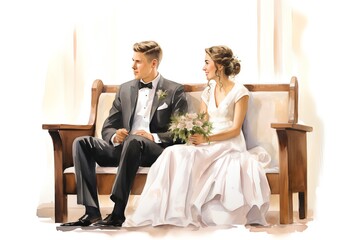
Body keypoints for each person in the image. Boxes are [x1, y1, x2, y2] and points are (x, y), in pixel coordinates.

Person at [123, 45, 271, 227]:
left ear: (219, 66)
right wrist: (192, 130)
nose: (203, 67)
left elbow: (234, 129)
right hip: (208, 140)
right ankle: (169, 210)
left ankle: (187, 210)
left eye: (207, 63)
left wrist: (206, 139)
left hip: (229, 142)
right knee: (173, 153)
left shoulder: (239, 92)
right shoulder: (209, 90)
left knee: (190, 155)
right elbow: (203, 122)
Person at [61, 40, 188, 227]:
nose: (133, 66)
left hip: (153, 151)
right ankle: (91, 212)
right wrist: (114, 135)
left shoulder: (174, 90)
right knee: (82, 142)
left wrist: (153, 137)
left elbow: (181, 132)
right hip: (125, 148)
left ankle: (118, 213)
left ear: (153, 63)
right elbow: (108, 126)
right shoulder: (126, 89)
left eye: (138, 61)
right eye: (133, 60)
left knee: (135, 141)